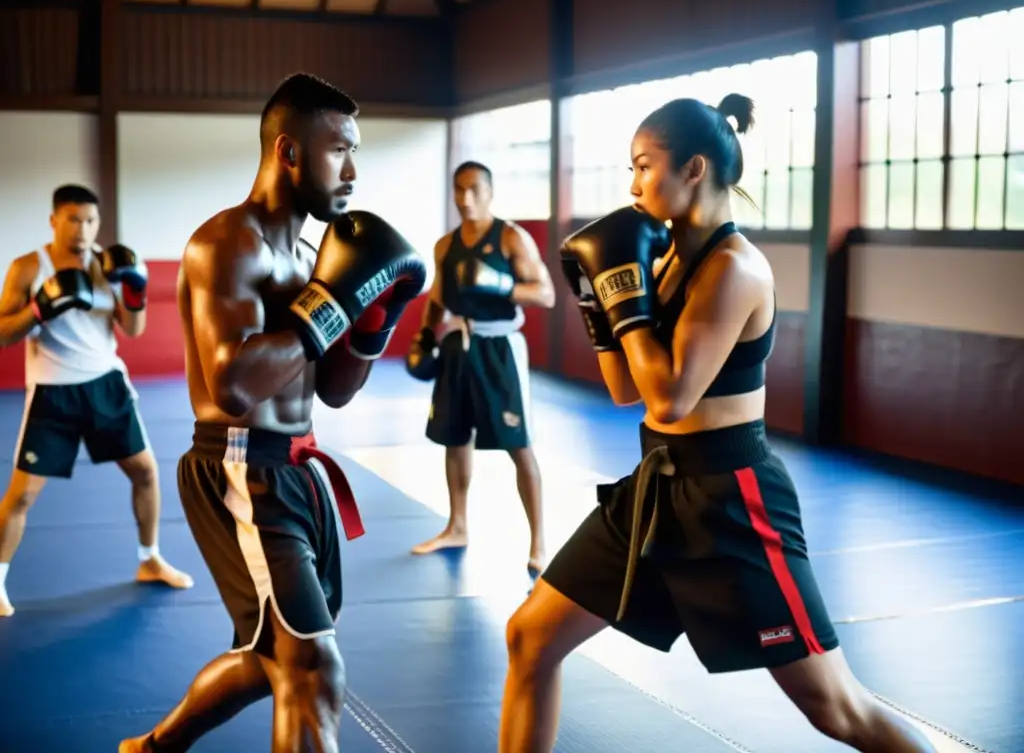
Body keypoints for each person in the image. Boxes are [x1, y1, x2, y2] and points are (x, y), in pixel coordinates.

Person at [498, 95, 938, 753]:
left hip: (732, 503)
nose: (633, 184)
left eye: (644, 166)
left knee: (837, 709)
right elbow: (627, 390)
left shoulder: (735, 270)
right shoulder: (668, 261)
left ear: (694, 168)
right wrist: (601, 307)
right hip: (657, 494)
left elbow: (672, 397)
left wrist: (624, 300)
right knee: (529, 636)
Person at [119, 73, 427, 753]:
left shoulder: (316, 256)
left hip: (299, 471)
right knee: (313, 666)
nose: (353, 170)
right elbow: (233, 385)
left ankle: (154, 748)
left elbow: (335, 389)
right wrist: (333, 307)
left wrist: (375, 316)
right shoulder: (229, 243)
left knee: (274, 658)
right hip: (240, 469)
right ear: (290, 152)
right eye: (338, 149)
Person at [0, 184, 192, 618]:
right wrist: (38, 310)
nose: (82, 229)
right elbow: (2, 333)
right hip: (54, 392)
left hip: (106, 385)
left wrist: (136, 290)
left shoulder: (112, 265)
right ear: (54, 220)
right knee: (23, 495)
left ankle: (150, 559)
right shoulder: (29, 267)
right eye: (72, 219)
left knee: (145, 472)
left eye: (90, 220)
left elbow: (134, 330)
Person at [406, 161, 555, 574]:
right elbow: (437, 297)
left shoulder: (510, 237)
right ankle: (457, 525)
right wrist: (424, 336)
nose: (465, 198)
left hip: (500, 346)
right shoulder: (444, 245)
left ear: (489, 192)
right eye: (459, 189)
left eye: (474, 189)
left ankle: (539, 543)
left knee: (518, 443)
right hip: (458, 344)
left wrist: (503, 284)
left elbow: (546, 294)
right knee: (455, 436)